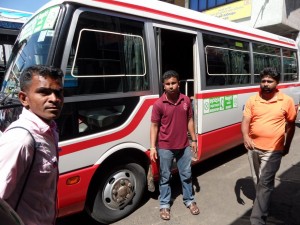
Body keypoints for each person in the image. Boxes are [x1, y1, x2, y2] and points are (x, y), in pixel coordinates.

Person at [0, 65, 64, 225]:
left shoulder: (50, 130)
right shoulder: (21, 139)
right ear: (23, 98)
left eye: (58, 92)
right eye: (44, 92)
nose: (55, 99)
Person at [241, 67, 296, 225]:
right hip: (253, 148)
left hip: (273, 149)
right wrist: (245, 137)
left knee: (264, 183)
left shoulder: (286, 101)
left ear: (277, 83)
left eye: (269, 81)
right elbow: (245, 121)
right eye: (263, 81)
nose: (265, 84)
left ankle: (257, 219)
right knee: (258, 180)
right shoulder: (253, 100)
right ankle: (262, 204)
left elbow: (291, 125)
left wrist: (287, 145)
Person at [150, 70, 199, 220]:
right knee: (165, 177)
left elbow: (190, 120)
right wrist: (153, 147)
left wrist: (194, 140)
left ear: (179, 83)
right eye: (168, 84)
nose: (171, 86)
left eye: (173, 83)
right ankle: (164, 205)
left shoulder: (185, 101)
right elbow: (154, 126)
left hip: (184, 146)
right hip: (165, 147)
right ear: (163, 86)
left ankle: (189, 200)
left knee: (187, 175)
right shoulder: (158, 104)